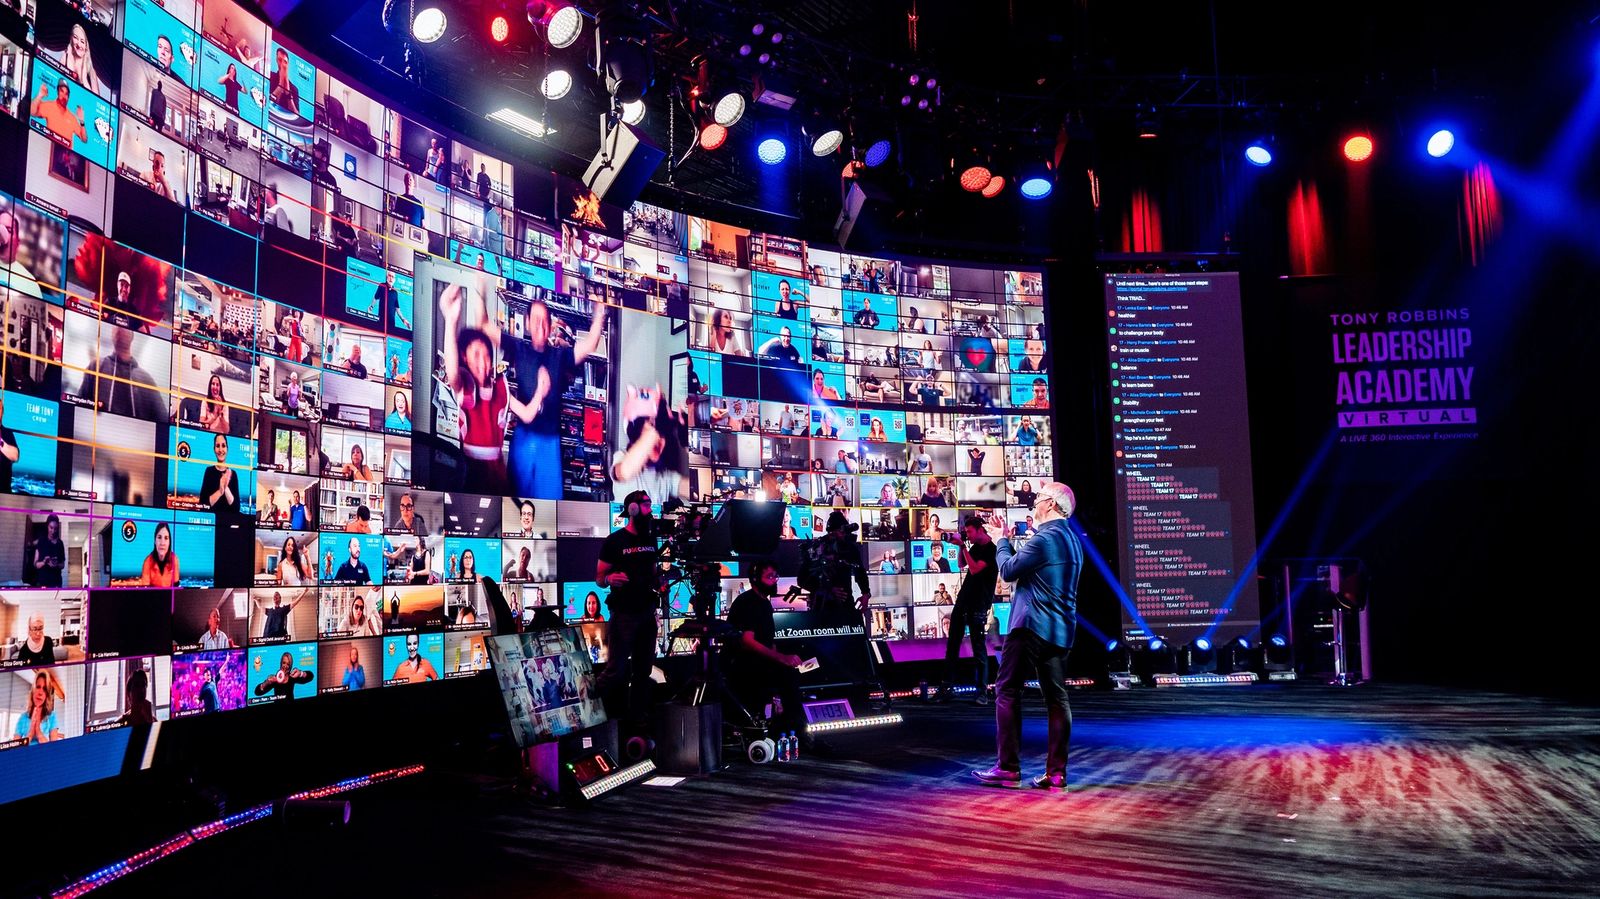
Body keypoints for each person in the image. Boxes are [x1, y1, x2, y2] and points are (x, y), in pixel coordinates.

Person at [974, 482, 1083, 790]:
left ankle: (1008, 769)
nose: (1034, 503)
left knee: (1007, 690)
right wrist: (1008, 540)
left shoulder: (1044, 538)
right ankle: (1057, 773)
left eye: (1038, 498)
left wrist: (1001, 541)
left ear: (1051, 504)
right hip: (1060, 630)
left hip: (1031, 625)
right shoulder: (1072, 540)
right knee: (1057, 699)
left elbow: (1008, 571)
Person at [594, 490, 662, 737]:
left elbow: (653, 573)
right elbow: (599, 578)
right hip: (624, 614)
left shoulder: (651, 539)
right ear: (632, 508)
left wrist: (660, 583)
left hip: (647, 612)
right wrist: (610, 578)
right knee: (616, 671)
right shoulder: (614, 541)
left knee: (643, 672)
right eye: (646, 504)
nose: (650, 510)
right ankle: (588, 710)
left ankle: (637, 721)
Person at [723, 560, 811, 743]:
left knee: (795, 671)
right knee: (787, 676)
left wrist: (783, 659)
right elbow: (747, 641)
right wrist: (781, 658)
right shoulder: (749, 602)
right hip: (744, 665)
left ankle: (791, 730)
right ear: (755, 579)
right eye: (770, 576)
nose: (775, 580)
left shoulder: (764, 603)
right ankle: (799, 734)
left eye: (776, 576)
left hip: (758, 663)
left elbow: (768, 641)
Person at [940, 517, 998, 702]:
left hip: (978, 603)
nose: (968, 535)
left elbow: (974, 569)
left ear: (980, 529)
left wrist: (963, 547)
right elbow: (961, 565)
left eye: (970, 532)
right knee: (952, 645)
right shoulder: (975, 547)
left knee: (978, 648)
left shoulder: (991, 549)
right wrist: (961, 547)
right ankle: (946, 688)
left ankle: (982, 692)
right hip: (963, 601)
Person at [80, 327, 165, 419]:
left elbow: (162, 418)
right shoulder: (95, 366)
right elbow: (80, 404)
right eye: (116, 326)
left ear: (132, 335)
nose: (119, 328)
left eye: (125, 326)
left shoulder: (146, 379)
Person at [797, 510, 871, 613]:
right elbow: (802, 580)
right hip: (822, 606)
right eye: (837, 532)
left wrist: (866, 593)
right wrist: (827, 589)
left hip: (845, 604)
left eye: (843, 532)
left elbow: (860, 571)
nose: (841, 536)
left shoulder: (849, 548)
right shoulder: (816, 548)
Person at [31, 79, 88, 147]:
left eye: (66, 94)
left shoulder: (72, 118)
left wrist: (81, 121)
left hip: (65, 153)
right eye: (62, 91)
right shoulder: (49, 106)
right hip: (48, 149)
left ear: (68, 97)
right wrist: (39, 96)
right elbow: (32, 112)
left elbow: (84, 139)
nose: (64, 96)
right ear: (58, 92)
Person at [199, 433, 240, 515]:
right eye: (217, 446)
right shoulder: (209, 471)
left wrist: (226, 488)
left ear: (227, 449)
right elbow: (202, 505)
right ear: (214, 449)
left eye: (223, 446)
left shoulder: (233, 474)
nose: (221, 450)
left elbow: (236, 508)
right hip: (211, 520)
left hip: (228, 521)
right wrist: (220, 491)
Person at [15, 675, 62, 744]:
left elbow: (54, 748)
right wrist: (30, 734)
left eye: (44, 689)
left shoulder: (52, 716)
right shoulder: (23, 717)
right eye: (38, 687)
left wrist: (38, 731)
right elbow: (15, 747)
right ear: (33, 691)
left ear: (46, 696)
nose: (40, 693)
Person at [61, 23, 102, 94]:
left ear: (86, 46)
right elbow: (57, 81)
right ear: (71, 38)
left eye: (82, 41)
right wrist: (70, 61)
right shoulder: (66, 56)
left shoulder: (91, 70)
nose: (78, 44)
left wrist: (84, 79)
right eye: (75, 38)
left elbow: (95, 99)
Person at [31, 514, 67, 589]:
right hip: (42, 582)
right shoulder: (41, 541)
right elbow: (35, 564)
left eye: (55, 528)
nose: (53, 531)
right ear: (47, 526)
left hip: (56, 582)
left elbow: (62, 565)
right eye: (51, 527)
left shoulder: (60, 543)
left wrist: (56, 564)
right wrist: (44, 562)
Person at [140, 521, 180, 587]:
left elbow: (176, 587)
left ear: (169, 542)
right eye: (159, 537)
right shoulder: (147, 562)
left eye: (166, 538)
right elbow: (145, 590)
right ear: (154, 541)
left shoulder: (174, 559)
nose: (162, 543)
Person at [268, 46, 298, 112]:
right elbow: (265, 103)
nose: (282, 64)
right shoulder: (269, 76)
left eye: (285, 61)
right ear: (276, 60)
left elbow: (296, 115)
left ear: (288, 64)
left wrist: (288, 93)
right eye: (280, 60)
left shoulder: (294, 89)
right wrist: (280, 86)